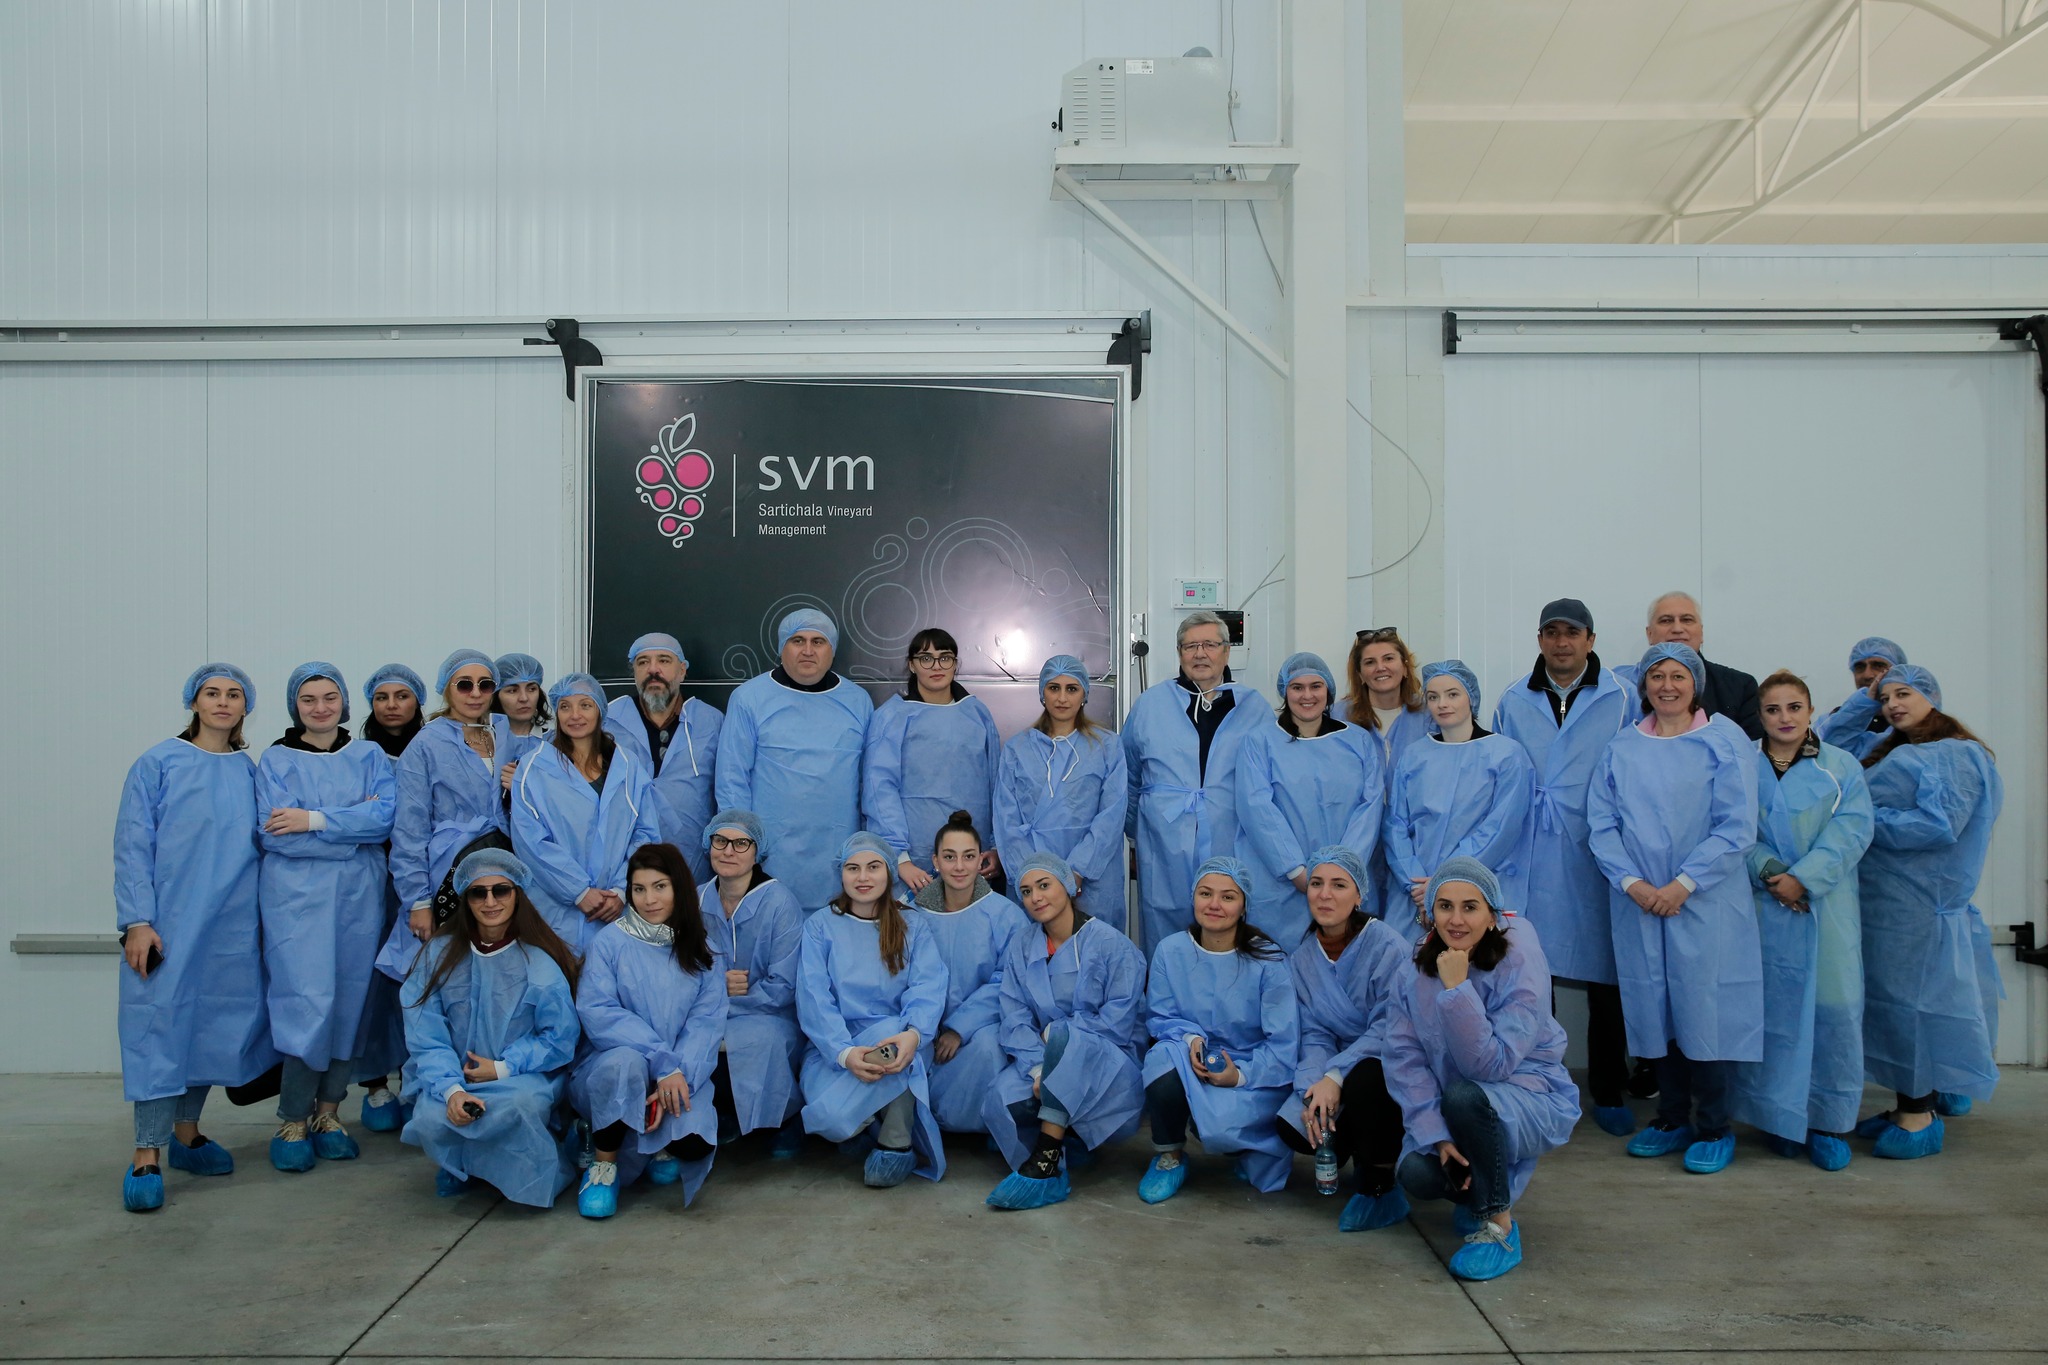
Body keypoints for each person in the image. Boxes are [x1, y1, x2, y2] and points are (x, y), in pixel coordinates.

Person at [1587, 643, 1761, 1175]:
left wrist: (1684, 884)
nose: (1667, 685)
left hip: (1704, 902)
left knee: (1703, 1007)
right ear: (1644, 685)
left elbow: (1736, 825)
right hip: (1639, 903)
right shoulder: (1622, 748)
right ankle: (1670, 1117)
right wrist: (1634, 883)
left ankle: (1713, 1125)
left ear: (1696, 684)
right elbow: (1602, 823)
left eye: (1679, 676)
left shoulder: (1722, 741)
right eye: (1657, 675)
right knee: (1653, 1005)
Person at [114, 664, 274, 1212]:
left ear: (246, 707)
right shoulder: (159, 763)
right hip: (169, 924)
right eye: (212, 693)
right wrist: (137, 920)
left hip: (231, 927)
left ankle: (186, 1135)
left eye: (234, 694)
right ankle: (146, 1153)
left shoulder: (248, 770)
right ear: (194, 702)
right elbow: (133, 844)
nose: (223, 702)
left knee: (210, 1027)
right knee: (159, 1028)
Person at [1384, 858, 1579, 1283]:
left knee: (1466, 1096)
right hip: (1458, 1107)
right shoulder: (1414, 966)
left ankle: (1499, 1226)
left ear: (1492, 915)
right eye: (1445, 906)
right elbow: (1404, 1059)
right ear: (1430, 912)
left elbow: (1491, 1064)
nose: (1456, 920)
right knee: (1415, 1173)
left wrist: (1458, 989)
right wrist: (1436, 1137)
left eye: (1470, 907)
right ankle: (1476, 1197)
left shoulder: (1520, 961)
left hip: (1527, 1094)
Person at [1488, 598, 1637, 1135]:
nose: (1561, 642)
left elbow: (1637, 765)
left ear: (1590, 640)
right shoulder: (1513, 699)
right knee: (1532, 971)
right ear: (1539, 640)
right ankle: (1539, 1082)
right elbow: (1498, 770)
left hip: (1597, 847)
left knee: (1607, 974)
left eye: (1572, 632)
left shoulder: (1621, 696)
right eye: (1551, 632)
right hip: (1529, 850)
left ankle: (1609, 1086)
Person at [1853, 665, 2004, 1157]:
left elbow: (1939, 825)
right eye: (1885, 699)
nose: (1893, 705)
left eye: (1904, 694)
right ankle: (1909, 1104)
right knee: (1894, 1007)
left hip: (1918, 909)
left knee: (1912, 1008)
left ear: (1932, 696)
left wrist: (1864, 821)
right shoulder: (1897, 750)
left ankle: (1919, 1116)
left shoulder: (1955, 754)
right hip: (1889, 906)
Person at [1727, 671, 1873, 1172]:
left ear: (1810, 711)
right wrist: (1771, 872)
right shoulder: (1742, 764)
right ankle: (1777, 1118)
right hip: (1763, 908)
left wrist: (1804, 879)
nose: (1784, 718)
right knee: (1773, 1017)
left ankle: (1829, 1122)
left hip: (1825, 909)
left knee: (1834, 1014)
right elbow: (1731, 828)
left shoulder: (1841, 766)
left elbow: (1853, 831)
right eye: (1773, 709)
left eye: (1794, 707)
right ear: (1760, 715)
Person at [255, 662, 398, 1172]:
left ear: (344, 703)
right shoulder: (276, 759)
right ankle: (293, 1118)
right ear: (294, 705)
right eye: (309, 699)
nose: (320, 708)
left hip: (359, 899)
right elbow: (275, 833)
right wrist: (351, 830)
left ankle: (329, 1113)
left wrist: (312, 819)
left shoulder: (369, 755)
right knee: (305, 1003)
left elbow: (385, 819)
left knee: (350, 999)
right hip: (296, 902)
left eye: (330, 697)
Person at [401, 849, 581, 1207]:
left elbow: (559, 1039)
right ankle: (461, 1164)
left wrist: (502, 1068)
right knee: (432, 1114)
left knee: (518, 1105)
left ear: (518, 894)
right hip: (456, 1077)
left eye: (501, 890)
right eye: (478, 892)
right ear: (464, 898)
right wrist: (452, 1089)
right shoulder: (438, 955)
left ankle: (508, 1168)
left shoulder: (539, 963)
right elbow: (425, 1035)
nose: (490, 901)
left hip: (521, 1077)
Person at [983, 851, 1148, 1211]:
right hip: (1041, 1058)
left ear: (1070, 886)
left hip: (1106, 1062)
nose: (1035, 897)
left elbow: (1118, 1022)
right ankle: (1065, 1151)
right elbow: (1014, 1016)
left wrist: (1060, 1045)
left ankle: (1045, 1162)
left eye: (1044, 885)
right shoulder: (1022, 945)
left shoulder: (1111, 944)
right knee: (1000, 1098)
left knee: (1065, 1037)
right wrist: (1040, 1069)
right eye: (1026, 891)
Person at [569, 843, 725, 1219]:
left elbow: (705, 1023)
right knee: (624, 1063)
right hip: (615, 1070)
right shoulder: (609, 943)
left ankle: (659, 1143)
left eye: (660, 887)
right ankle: (604, 1164)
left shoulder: (702, 948)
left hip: (678, 1073)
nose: (649, 899)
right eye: (639, 889)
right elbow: (600, 1013)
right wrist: (661, 1063)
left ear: (679, 888)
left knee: (694, 1145)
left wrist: (677, 1077)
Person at [1136, 856, 1299, 1203]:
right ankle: (1169, 1155)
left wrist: (1238, 1075)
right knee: (1161, 1058)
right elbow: (1161, 1016)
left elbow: (1283, 1043)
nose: (1214, 904)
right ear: (1193, 898)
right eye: (1205, 893)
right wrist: (1191, 1039)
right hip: (1190, 1058)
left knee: (1221, 1127)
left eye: (1228, 897)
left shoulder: (1268, 960)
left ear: (1244, 906)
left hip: (1252, 1070)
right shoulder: (1170, 951)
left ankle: (1238, 1144)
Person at [795, 832, 948, 1188]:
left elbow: (927, 986)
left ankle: (896, 1141)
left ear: (889, 873)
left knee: (891, 1042)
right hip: (833, 1047)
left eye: (873, 867)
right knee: (831, 1120)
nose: (863, 877)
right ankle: (868, 1119)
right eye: (853, 868)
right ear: (841, 873)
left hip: (897, 1041)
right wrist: (845, 1053)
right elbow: (814, 997)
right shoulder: (820, 926)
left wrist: (914, 1034)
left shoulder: (913, 925)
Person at [1275, 847, 1413, 1231]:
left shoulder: (1387, 946)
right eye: (1316, 884)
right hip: (1336, 1064)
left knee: (1367, 1079)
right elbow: (1314, 1032)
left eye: (1338, 885)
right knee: (1295, 1126)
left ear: (1359, 896)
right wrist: (1314, 1088)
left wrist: (1336, 1076)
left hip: (1389, 1063)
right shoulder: (1303, 958)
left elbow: (1391, 1025)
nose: (1325, 895)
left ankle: (1381, 1183)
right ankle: (1354, 1145)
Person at [1124, 611, 1268, 954]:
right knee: (1164, 929)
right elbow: (1127, 777)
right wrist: (1137, 836)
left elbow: (1268, 782)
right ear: (1179, 653)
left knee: (1224, 925)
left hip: (1230, 839)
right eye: (1190, 646)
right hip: (1162, 842)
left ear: (1226, 651)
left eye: (1210, 645)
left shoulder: (1253, 707)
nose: (1200, 653)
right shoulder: (1150, 705)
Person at [717, 609, 874, 910]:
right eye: (797, 640)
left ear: (832, 650)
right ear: (782, 647)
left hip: (839, 854)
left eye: (818, 641)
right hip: (770, 854)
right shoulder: (749, 698)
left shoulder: (857, 701)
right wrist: (739, 844)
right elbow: (731, 778)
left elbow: (871, 783)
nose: (808, 650)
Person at [375, 650, 515, 984]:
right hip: (446, 873)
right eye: (464, 684)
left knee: (499, 972)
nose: (475, 693)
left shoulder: (505, 735)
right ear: (446, 689)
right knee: (450, 973)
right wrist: (419, 901)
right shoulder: (426, 744)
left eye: (485, 684)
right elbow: (409, 830)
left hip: (502, 871)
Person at [1236, 653, 1385, 941]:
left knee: (1346, 955)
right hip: (1283, 883)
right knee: (1281, 957)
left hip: (1348, 879)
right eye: (1297, 687)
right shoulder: (1260, 742)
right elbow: (1257, 809)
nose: (1307, 695)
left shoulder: (1358, 741)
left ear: (1328, 691)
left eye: (1316, 686)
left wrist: (1343, 871)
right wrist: (1296, 871)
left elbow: (1370, 807)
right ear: (1285, 692)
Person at [510, 673, 661, 954]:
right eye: (565, 707)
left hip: (616, 910)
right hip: (555, 912)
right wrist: (578, 891)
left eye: (585, 705)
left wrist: (622, 890)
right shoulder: (533, 769)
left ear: (600, 711)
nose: (575, 715)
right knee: (558, 975)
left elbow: (646, 834)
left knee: (610, 976)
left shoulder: (627, 766)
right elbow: (530, 843)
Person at [1382, 661, 1534, 925]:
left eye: (1452, 694)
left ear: (1471, 698)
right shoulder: (1414, 755)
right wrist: (1415, 881)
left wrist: (1445, 881)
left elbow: (1500, 828)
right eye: (1433, 697)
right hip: (1415, 892)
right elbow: (1395, 824)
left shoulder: (1506, 755)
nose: (1442, 704)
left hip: (1474, 885)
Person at [696, 809, 807, 1156]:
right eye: (720, 841)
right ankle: (721, 1116)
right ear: (709, 844)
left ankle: (781, 1122)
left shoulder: (779, 903)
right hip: (708, 1010)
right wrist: (717, 985)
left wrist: (723, 1003)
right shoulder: (695, 900)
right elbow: (679, 970)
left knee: (758, 1039)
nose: (728, 851)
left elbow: (783, 985)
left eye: (741, 843)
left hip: (769, 1014)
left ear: (758, 852)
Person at [909, 812, 1029, 1133]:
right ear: (935, 862)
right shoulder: (914, 916)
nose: (959, 866)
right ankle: (917, 1123)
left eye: (968, 856)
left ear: (981, 862)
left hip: (981, 1026)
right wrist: (924, 1027)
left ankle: (979, 1123)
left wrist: (959, 1028)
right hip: (923, 1025)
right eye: (950, 857)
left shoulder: (1005, 916)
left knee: (989, 1046)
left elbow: (1008, 981)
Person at [863, 628, 1003, 894]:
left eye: (945, 657)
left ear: (955, 664)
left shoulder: (977, 714)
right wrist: (898, 858)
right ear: (912, 665)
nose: (936, 666)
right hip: (913, 863)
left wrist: (997, 847)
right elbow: (879, 788)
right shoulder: (893, 717)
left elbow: (997, 786)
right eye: (926, 658)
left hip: (974, 859)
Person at [993, 655, 1129, 927]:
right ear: (1042, 693)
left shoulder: (1107, 747)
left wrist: (1076, 871)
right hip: (1032, 873)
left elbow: (1111, 817)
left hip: (1092, 878)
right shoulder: (1017, 749)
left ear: (1084, 694)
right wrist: (1034, 876)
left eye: (1072, 689)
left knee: (1093, 945)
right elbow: (1006, 820)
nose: (1062, 698)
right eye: (1054, 688)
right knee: (1034, 947)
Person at [353, 662, 428, 1129]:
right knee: (375, 987)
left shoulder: (437, 747)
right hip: (371, 884)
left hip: (422, 883)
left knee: (422, 984)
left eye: (402, 696)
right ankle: (376, 1085)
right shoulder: (356, 754)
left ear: (418, 701)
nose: (392, 705)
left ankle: (419, 1080)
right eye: (382, 697)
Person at [605, 632, 722, 882]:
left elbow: (729, 787)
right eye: (643, 662)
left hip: (694, 860)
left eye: (664, 660)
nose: (653, 670)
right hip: (623, 863)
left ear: (682, 671)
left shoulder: (711, 722)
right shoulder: (608, 722)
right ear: (634, 672)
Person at [1621, 593, 1762, 740]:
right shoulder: (1622, 685)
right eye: (1666, 620)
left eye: (1686, 620)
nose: (1677, 628)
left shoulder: (1739, 687)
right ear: (1649, 633)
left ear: (1701, 632)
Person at [1341, 626, 1432, 771]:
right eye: (1370, 662)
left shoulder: (1429, 714)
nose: (1380, 667)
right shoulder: (1340, 718)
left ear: (1405, 667)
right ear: (1360, 674)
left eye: (1388, 659)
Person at [1816, 636, 1908, 762]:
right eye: (1860, 667)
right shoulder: (1828, 721)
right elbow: (1827, 759)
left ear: (1899, 671)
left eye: (1878, 665)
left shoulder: (1911, 721)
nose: (1867, 675)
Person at [493, 652, 551, 762]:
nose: (524, 698)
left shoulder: (555, 741)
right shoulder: (483, 741)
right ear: (496, 696)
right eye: (512, 691)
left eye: (531, 689)